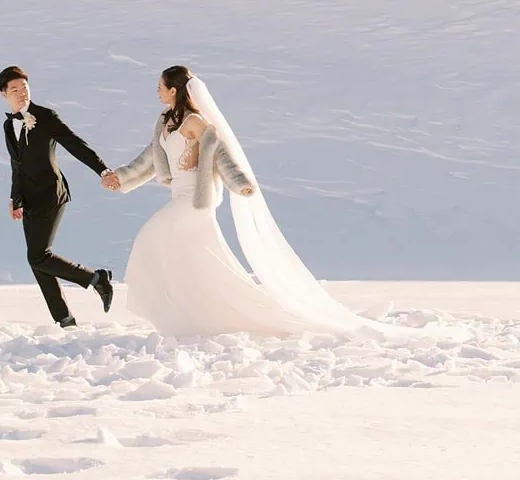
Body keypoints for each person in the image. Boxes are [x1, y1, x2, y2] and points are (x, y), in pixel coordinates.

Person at [103, 66, 373, 339]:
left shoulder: (195, 121)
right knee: (197, 262)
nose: (157, 91)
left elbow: (221, 154)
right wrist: (121, 177)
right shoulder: (164, 121)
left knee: (150, 237)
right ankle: (197, 318)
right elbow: (151, 158)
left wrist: (239, 182)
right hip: (179, 196)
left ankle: (188, 313)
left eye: (160, 86)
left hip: (196, 201)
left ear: (174, 90)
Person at [0, 66, 115, 327]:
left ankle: (97, 279)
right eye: (14, 90)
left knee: (38, 256)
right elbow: (17, 164)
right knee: (38, 260)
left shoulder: (45, 116)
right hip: (28, 199)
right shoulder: (9, 125)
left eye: (24, 87)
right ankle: (65, 319)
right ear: (3, 94)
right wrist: (15, 198)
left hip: (51, 194)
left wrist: (102, 169)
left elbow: (74, 143)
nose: (21, 93)